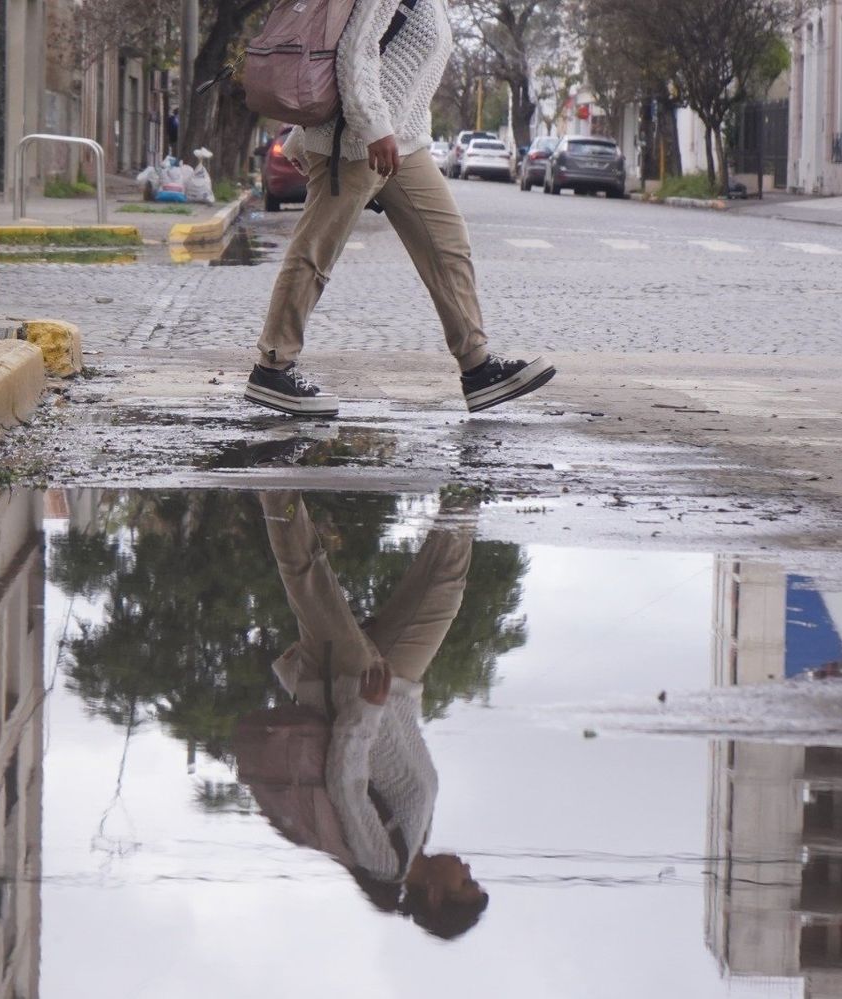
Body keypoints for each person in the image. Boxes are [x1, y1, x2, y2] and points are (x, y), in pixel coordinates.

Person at [244, 0, 556, 418]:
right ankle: (273, 366)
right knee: (316, 251)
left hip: (406, 143)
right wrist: (373, 127)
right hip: (361, 143)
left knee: (447, 245)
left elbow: (406, 76)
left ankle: (477, 368)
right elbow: (356, 52)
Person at [258, 490, 490, 939]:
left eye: (465, 881)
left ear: (437, 896)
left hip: (351, 692)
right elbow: (399, 748)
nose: (466, 867)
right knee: (446, 588)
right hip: (396, 681)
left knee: (310, 578)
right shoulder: (416, 841)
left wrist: (366, 708)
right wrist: (396, 697)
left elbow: (346, 786)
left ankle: (273, 482)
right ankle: (467, 488)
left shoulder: (384, 863)